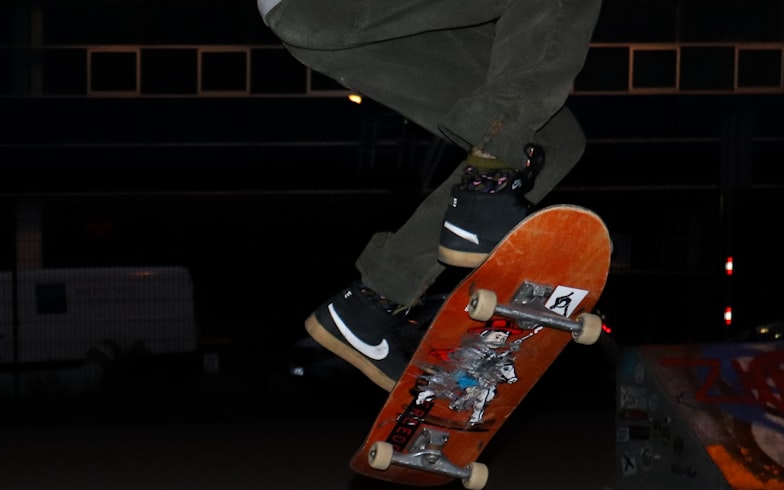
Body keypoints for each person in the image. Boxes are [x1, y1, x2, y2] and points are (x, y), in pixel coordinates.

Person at [257, 0, 603, 391]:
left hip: (363, 25)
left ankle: (374, 301)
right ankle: (488, 183)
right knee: (512, 134)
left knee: (550, 138)